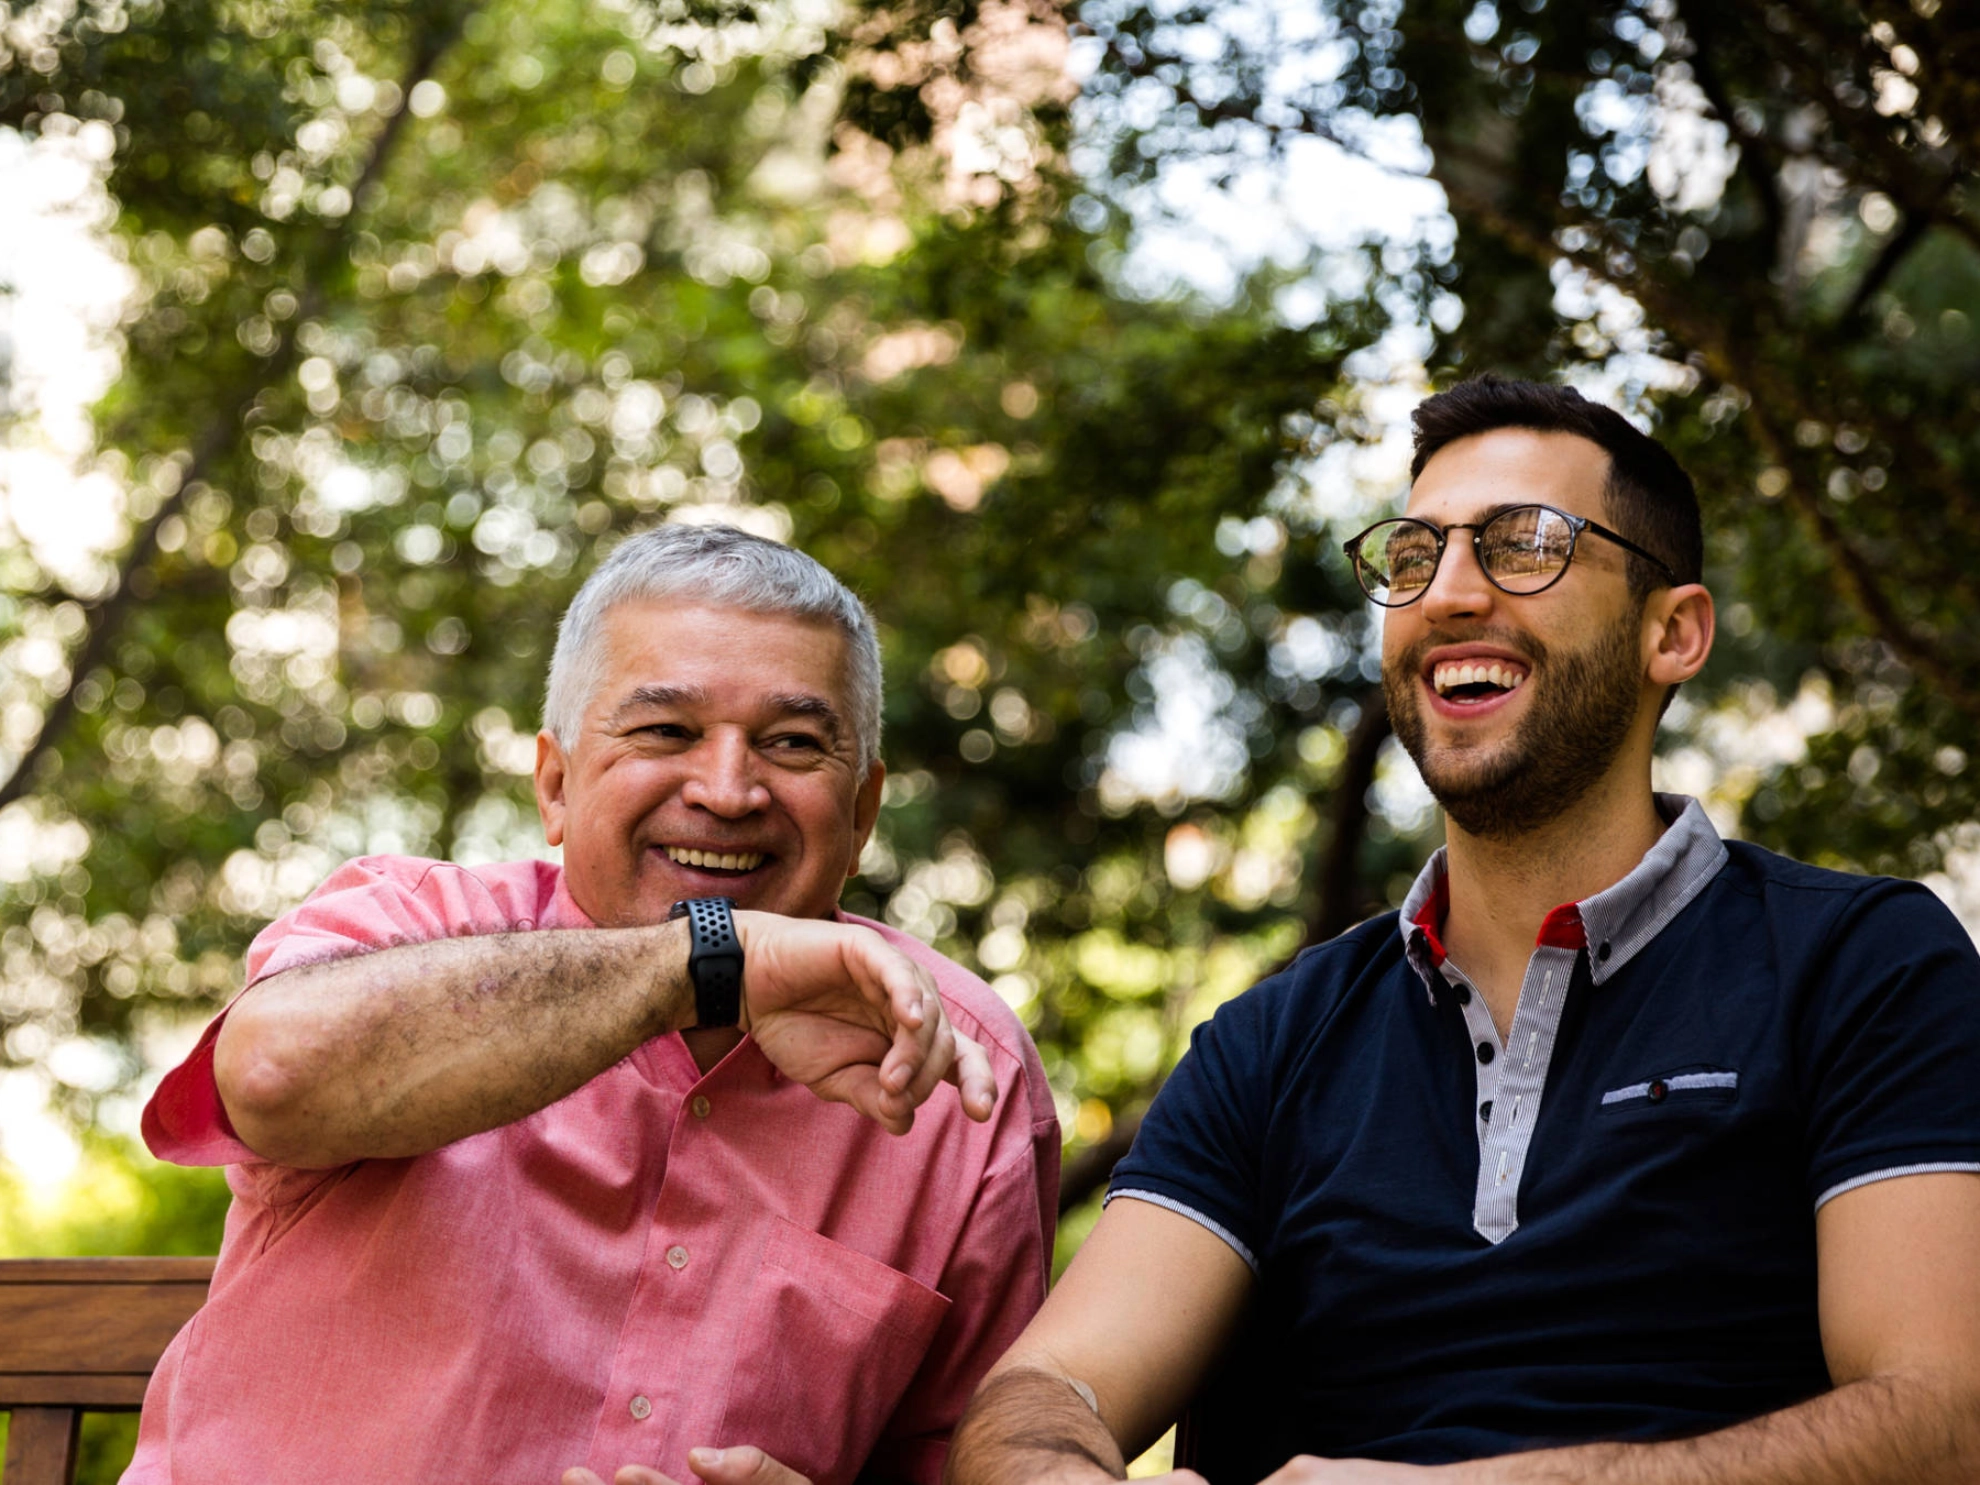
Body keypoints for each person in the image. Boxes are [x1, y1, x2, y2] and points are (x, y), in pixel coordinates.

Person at [946, 376, 1980, 1485]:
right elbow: (1045, 1390)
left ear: (1672, 632)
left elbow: (1944, 1422)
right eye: (1410, 556)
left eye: (1521, 545)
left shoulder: (1867, 965)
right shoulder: (1271, 1043)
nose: (1444, 595)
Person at [126, 524, 1060, 1485]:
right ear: (556, 781)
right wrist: (708, 962)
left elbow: (975, 1456)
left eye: (791, 742)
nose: (729, 789)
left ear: (861, 810)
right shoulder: (412, 926)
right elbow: (273, 1075)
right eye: (666, 731)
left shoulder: (955, 1062)